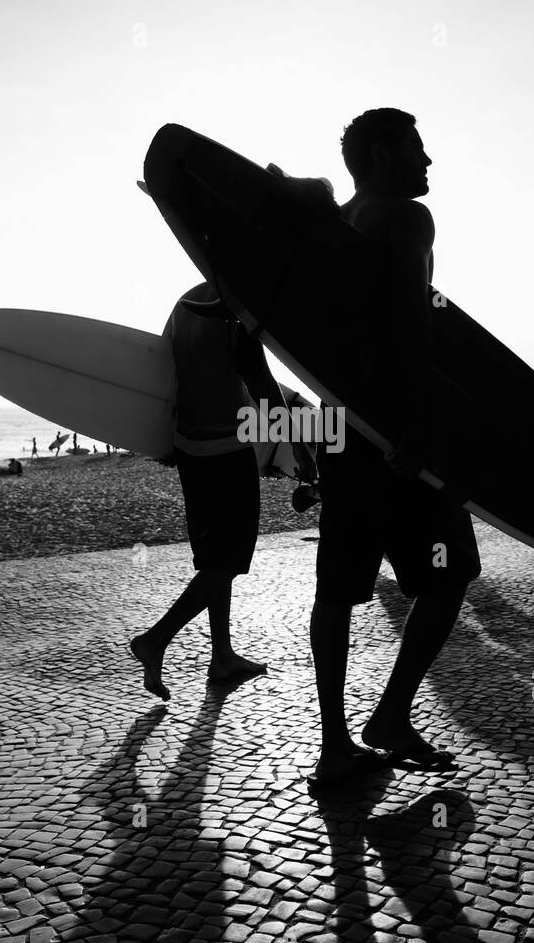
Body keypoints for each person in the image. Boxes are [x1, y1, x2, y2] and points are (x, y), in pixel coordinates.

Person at [308, 108, 481, 790]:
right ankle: (390, 716)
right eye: (415, 147)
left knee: (337, 591)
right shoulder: (405, 219)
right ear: (382, 155)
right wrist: (428, 425)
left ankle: (333, 745)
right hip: (398, 439)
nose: (427, 160)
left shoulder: (338, 221)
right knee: (451, 573)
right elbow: (410, 329)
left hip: (340, 432)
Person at [129, 280, 313, 699]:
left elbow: (163, 374)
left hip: (189, 449)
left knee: (215, 559)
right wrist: (299, 449)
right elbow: (264, 388)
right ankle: (156, 639)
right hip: (227, 451)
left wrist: (162, 441)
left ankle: (222, 655)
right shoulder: (237, 309)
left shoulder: (184, 304)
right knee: (227, 562)